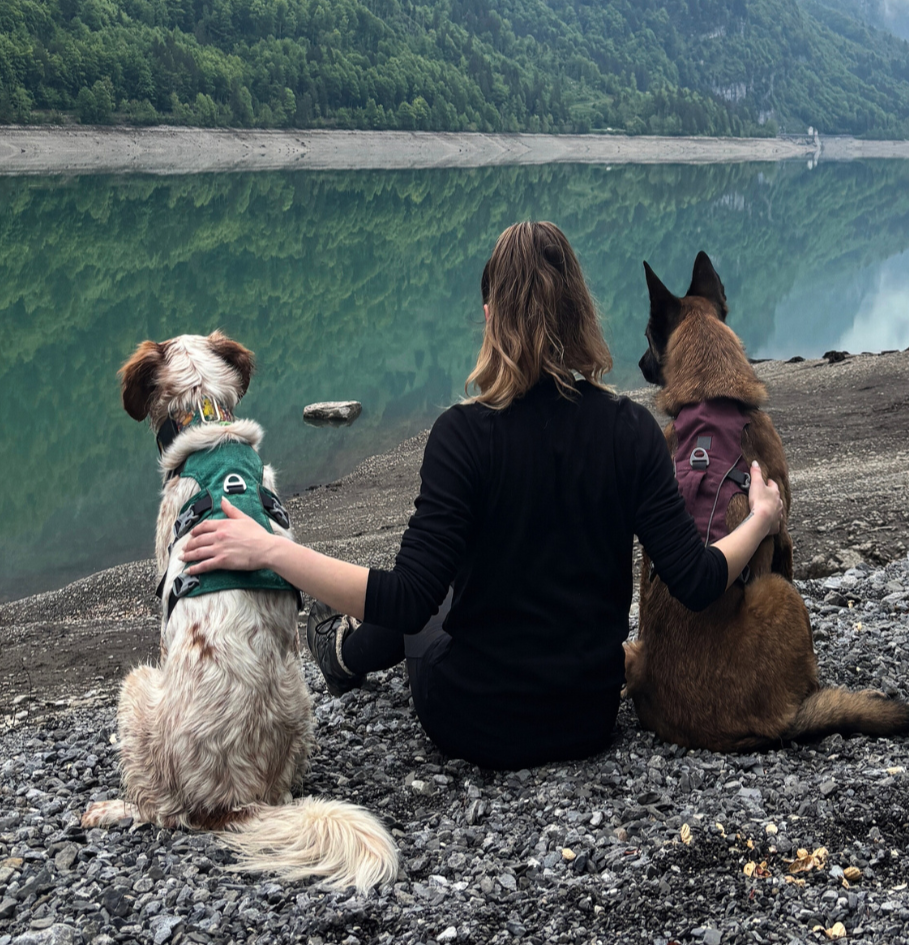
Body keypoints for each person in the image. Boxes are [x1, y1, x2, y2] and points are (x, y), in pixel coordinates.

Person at [182, 221, 783, 770]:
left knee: (434, 595)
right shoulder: (631, 431)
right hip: (586, 722)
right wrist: (758, 518)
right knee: (448, 580)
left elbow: (409, 599)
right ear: (581, 314)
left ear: (492, 315)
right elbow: (699, 581)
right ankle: (342, 647)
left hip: (472, 720)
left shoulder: (462, 435)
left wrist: (270, 550)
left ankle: (341, 651)